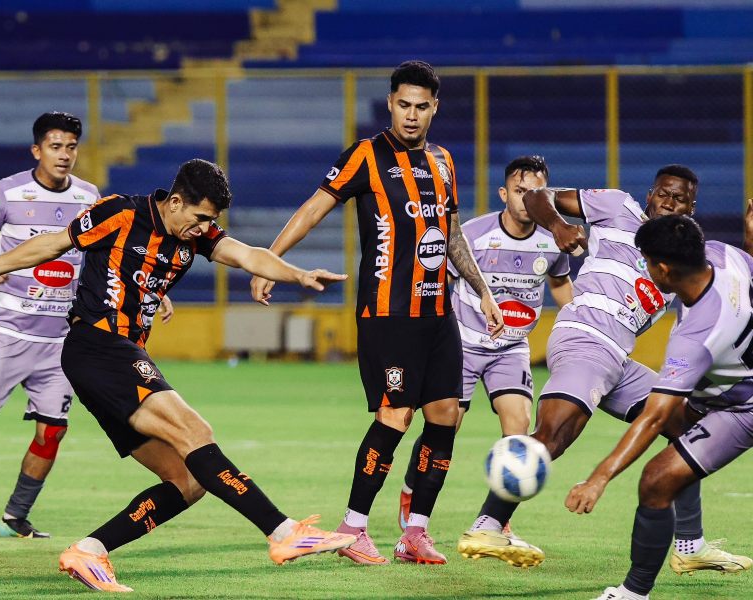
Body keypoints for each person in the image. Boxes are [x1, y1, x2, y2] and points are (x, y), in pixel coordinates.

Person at [0, 158, 357, 592]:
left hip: (113, 358)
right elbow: (53, 244)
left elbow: (245, 254)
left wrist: (296, 273)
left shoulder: (196, 235)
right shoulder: (121, 213)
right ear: (176, 201)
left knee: (187, 480)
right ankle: (283, 533)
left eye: (212, 221)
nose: (204, 228)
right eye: (201, 218)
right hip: (98, 345)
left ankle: (89, 551)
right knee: (195, 430)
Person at [250, 60, 504, 566]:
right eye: (403, 105)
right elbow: (312, 208)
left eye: (422, 107)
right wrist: (271, 263)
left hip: (437, 313)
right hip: (388, 313)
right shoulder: (366, 155)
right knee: (395, 416)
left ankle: (415, 533)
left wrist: (483, 292)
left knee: (445, 417)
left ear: (435, 108)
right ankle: (354, 528)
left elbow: (451, 236)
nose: (411, 116)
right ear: (390, 103)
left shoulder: (444, 161)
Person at [459, 166, 751, 573]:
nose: (669, 202)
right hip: (586, 337)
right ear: (650, 195)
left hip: (619, 357)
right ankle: (488, 525)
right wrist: (560, 226)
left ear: (691, 208)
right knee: (555, 435)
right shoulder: (616, 206)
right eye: (664, 194)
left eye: (680, 198)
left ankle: (690, 545)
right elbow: (535, 196)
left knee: (686, 431)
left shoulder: (682, 254)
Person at [0, 112, 148, 539]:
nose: (65, 155)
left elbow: (110, 254)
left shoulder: (89, 195)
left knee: (52, 430)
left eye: (72, 147)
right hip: (9, 331)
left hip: (62, 339)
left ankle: (14, 518)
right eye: (56, 147)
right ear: (37, 150)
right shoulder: (7, 191)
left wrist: (153, 288)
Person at [566, 215, 753, 600]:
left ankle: (634, 593)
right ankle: (690, 547)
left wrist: (598, 478)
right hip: (724, 390)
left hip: (740, 407)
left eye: (647, 262)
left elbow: (655, 416)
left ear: (664, 269)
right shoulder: (727, 255)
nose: (645, 269)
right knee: (668, 464)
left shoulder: (698, 334)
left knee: (656, 479)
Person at [396, 156, 573, 540]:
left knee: (519, 427)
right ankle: (411, 490)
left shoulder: (552, 239)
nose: (527, 200)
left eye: (537, 193)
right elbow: (436, 281)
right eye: (520, 191)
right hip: (460, 344)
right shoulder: (473, 235)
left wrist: (578, 320)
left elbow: (559, 284)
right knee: (445, 427)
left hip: (511, 348)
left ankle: (497, 519)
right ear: (503, 193)